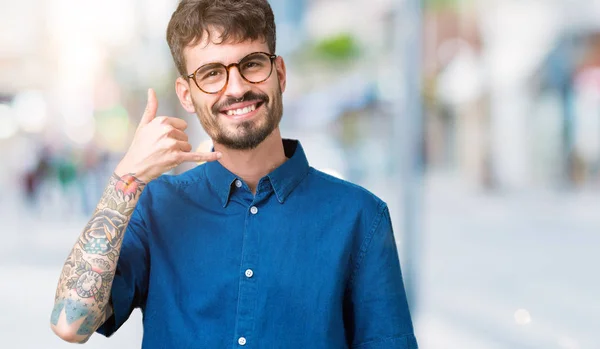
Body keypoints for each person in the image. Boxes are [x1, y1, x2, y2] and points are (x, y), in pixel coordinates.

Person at [50, 0, 418, 348]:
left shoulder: (360, 217)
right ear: (187, 95)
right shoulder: (156, 207)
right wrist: (126, 178)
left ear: (280, 73)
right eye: (211, 74)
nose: (237, 87)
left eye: (252, 64)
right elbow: (71, 323)